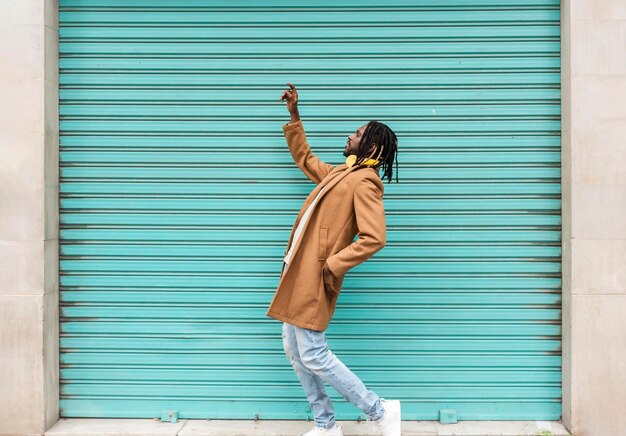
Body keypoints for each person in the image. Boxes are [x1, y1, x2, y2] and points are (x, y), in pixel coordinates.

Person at [267, 83, 401, 436]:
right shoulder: (343, 174)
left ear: (371, 146)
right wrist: (294, 115)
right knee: (295, 351)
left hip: (313, 276)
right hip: (296, 274)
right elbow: (306, 160)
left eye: (355, 134)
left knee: (313, 353)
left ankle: (378, 409)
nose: (348, 136)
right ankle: (326, 425)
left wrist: (333, 264)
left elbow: (375, 238)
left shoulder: (365, 183)